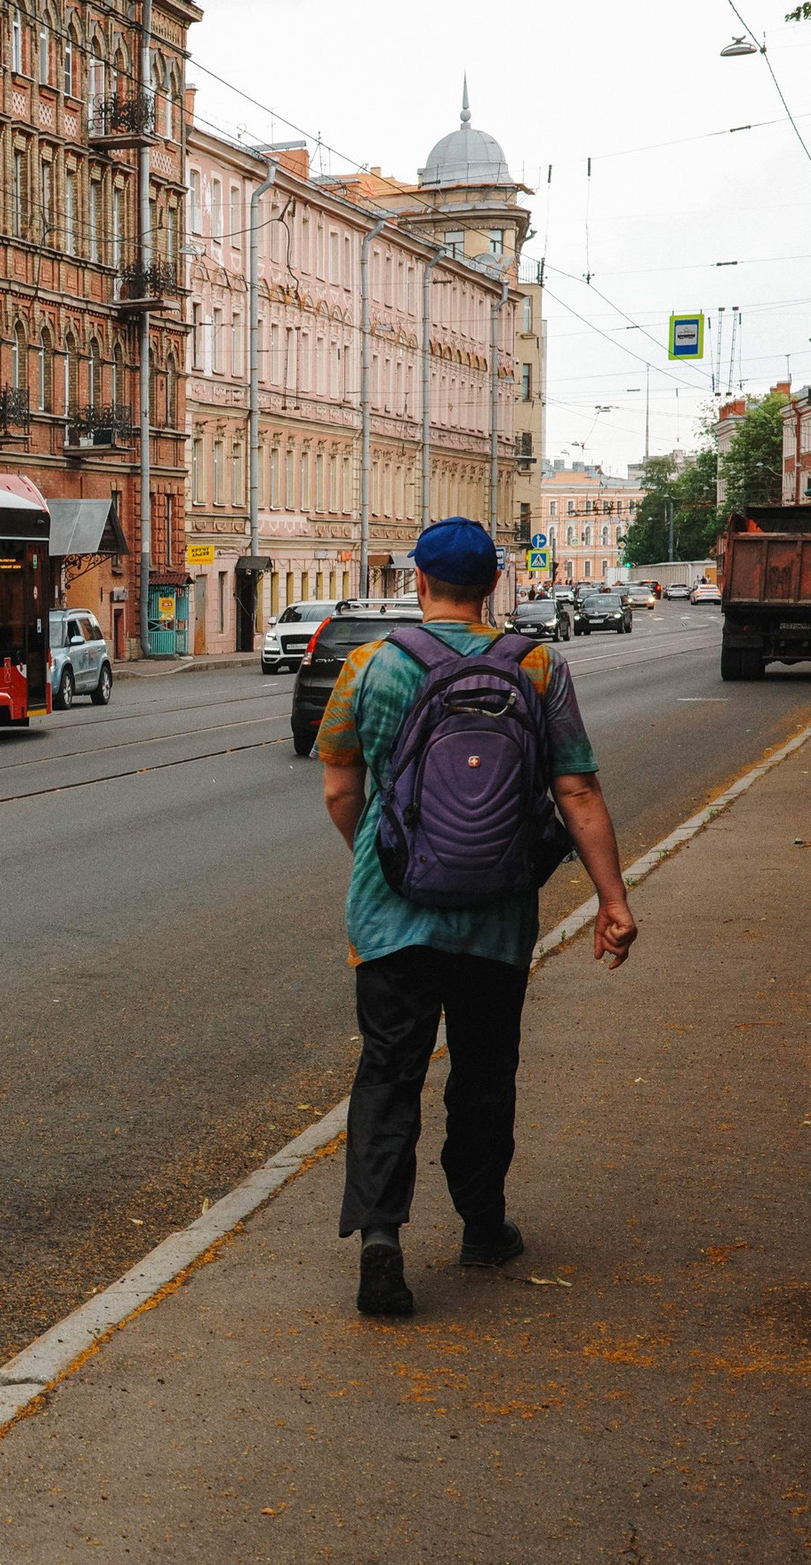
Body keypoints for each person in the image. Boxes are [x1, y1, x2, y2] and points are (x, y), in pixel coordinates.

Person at [315, 517, 638, 1318]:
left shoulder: (369, 665)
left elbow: (340, 788)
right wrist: (613, 898)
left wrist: (382, 857)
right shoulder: (537, 665)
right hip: (496, 919)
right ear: (493, 585)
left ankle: (381, 1240)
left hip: (390, 920)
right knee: (485, 1072)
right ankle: (484, 1226)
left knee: (388, 1071)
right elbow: (576, 788)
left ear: (419, 582)